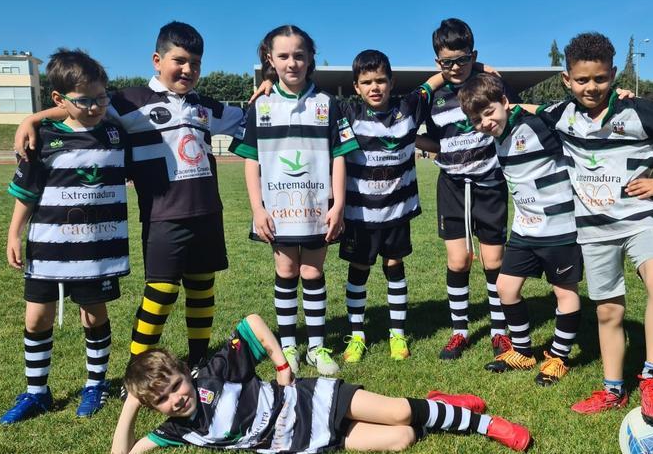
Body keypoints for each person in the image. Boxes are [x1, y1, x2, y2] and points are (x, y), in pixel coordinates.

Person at [15, 22, 245, 371]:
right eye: (179, 60)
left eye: (196, 63)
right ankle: (137, 366)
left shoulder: (206, 106)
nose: (189, 70)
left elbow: (252, 117)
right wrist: (32, 119)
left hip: (208, 211)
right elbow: (81, 107)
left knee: (202, 288)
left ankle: (199, 359)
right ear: (157, 59)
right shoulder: (127, 102)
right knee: (161, 292)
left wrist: (269, 88)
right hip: (163, 214)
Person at [537, 33, 653, 424]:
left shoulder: (640, 110)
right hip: (593, 231)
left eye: (600, 78)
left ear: (613, 75)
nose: (591, 87)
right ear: (567, 79)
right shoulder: (560, 114)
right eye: (582, 80)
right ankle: (613, 388)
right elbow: (520, 111)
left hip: (639, 219)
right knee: (609, 311)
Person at [111, 314, 531, 453]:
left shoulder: (214, 375)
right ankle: (438, 404)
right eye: (162, 400)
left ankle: (485, 424)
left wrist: (279, 362)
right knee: (402, 437)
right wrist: (132, 402)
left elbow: (252, 324)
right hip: (308, 440)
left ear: (187, 372)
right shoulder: (176, 430)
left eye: (176, 386)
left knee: (400, 411)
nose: (175, 399)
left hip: (316, 399)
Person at [0, 49, 129, 423]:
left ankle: (95, 385)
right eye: (84, 101)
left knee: (93, 316)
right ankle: (37, 392)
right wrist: (14, 234)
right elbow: (27, 192)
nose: (94, 107)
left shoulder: (115, 132)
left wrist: (35, 113)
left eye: (101, 98)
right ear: (59, 100)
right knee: (37, 318)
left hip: (97, 251)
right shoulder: (43, 138)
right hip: (48, 248)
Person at [228, 25, 357, 376]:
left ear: (310, 57)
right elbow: (251, 160)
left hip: (317, 208)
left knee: (313, 272)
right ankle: (288, 345)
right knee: (285, 271)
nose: (292, 62)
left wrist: (338, 204)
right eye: (283, 56)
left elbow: (339, 156)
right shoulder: (261, 104)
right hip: (278, 211)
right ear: (270, 59)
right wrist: (257, 208)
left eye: (299, 55)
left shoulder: (327, 103)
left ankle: (316, 346)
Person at [458, 73, 583, 387]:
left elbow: (577, 108)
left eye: (490, 113)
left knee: (564, 293)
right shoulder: (498, 137)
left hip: (560, 229)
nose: (485, 123)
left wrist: (617, 95)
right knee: (506, 288)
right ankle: (524, 351)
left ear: (504, 103)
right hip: (524, 231)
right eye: (477, 120)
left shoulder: (537, 124)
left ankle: (558, 358)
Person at [335, 50, 446, 363]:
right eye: (367, 82)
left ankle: (397, 334)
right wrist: (269, 83)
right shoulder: (346, 111)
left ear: (391, 82)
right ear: (356, 86)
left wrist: (474, 65)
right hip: (359, 215)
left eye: (381, 80)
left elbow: (434, 81)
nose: (375, 87)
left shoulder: (408, 106)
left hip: (397, 212)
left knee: (394, 267)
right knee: (359, 270)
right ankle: (356, 335)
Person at [423, 18, 516, 360]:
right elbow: (431, 138)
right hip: (452, 185)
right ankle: (460, 330)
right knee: (459, 260)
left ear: (473, 55)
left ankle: (499, 331)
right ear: (438, 62)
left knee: (494, 260)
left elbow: (514, 114)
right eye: (448, 62)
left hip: (490, 184)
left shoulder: (490, 85)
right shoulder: (432, 96)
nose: (456, 67)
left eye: (463, 59)